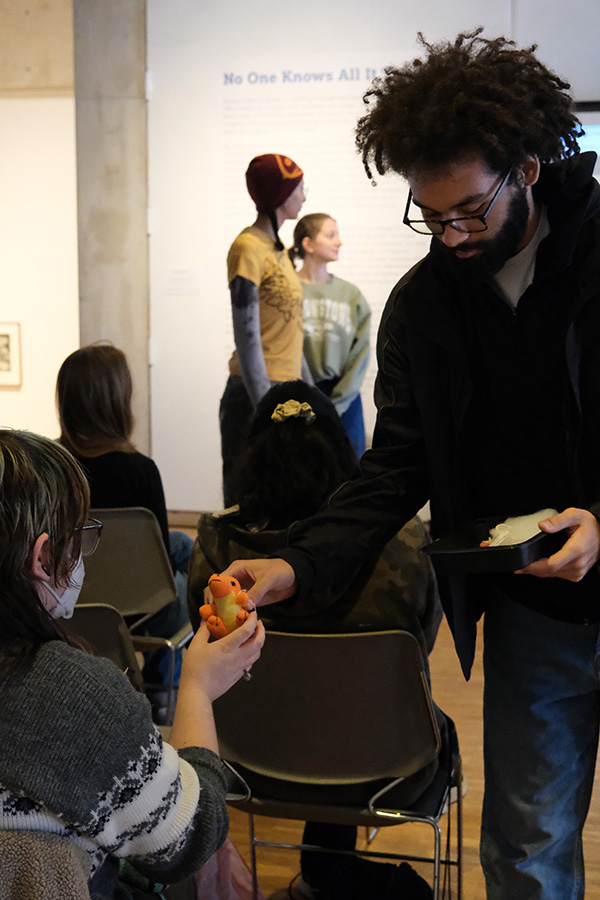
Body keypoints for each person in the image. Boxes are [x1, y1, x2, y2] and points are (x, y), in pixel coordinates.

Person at [221, 30, 600, 900]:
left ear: (527, 169)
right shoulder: (426, 304)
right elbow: (395, 466)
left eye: (469, 210)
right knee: (528, 851)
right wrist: (296, 562)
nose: (452, 235)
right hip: (536, 613)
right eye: (431, 216)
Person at [188, 380, 443, 898]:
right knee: (360, 710)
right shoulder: (404, 541)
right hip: (389, 768)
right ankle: (328, 871)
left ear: (251, 458)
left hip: (247, 763)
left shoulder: (217, 548)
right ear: (344, 453)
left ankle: (323, 873)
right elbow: (422, 644)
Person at [0, 428, 265, 899]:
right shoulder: (76, 698)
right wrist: (197, 689)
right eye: (78, 537)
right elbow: (189, 840)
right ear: (42, 557)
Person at [56, 342, 192, 689]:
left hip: (67, 598)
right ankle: (164, 685)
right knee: (189, 579)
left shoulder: (50, 466)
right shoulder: (141, 471)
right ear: (118, 401)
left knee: (181, 543)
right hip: (139, 608)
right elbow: (158, 563)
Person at [220, 153, 310, 506]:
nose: (304, 196)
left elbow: (291, 329)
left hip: (285, 392)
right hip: (254, 395)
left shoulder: (278, 250)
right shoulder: (248, 248)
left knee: (284, 499)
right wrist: (264, 407)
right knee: (248, 502)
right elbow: (247, 337)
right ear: (279, 195)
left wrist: (309, 392)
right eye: (298, 188)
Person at [290, 213, 371, 457]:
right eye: (331, 235)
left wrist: (337, 404)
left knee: (347, 470)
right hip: (296, 401)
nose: (339, 242)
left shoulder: (351, 295)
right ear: (308, 244)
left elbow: (360, 355)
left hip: (344, 402)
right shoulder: (286, 291)